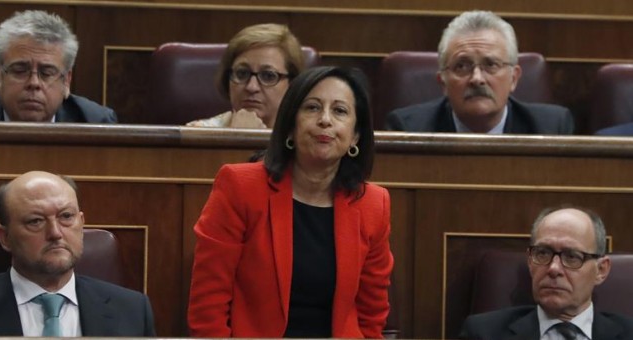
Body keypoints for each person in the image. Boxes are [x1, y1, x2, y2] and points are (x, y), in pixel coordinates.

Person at [187, 66, 393, 338]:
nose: (325, 120)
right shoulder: (240, 187)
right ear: (290, 126)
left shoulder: (373, 203)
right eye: (312, 108)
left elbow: (371, 315)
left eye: (340, 111)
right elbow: (208, 305)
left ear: (355, 136)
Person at [0, 171, 155, 336]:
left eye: (66, 216)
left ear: (81, 223)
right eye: (35, 221)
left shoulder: (132, 310)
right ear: (5, 237)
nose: (55, 233)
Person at [459, 206, 633, 339]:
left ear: (601, 270)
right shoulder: (483, 333)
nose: (554, 268)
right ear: (530, 261)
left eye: (572, 256)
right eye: (542, 253)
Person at [385, 10, 573, 134]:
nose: (477, 79)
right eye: (462, 66)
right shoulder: (408, 130)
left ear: (514, 78)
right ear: (443, 82)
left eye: (490, 65)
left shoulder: (551, 127)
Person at [0, 10, 117, 123]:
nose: (34, 83)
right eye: (20, 70)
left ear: (66, 81)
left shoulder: (94, 122)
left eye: (47, 73)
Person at [186, 23, 305, 128]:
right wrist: (237, 138)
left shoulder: (306, 140)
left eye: (268, 76)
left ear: (292, 84)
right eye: (242, 74)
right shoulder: (197, 135)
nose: (251, 87)